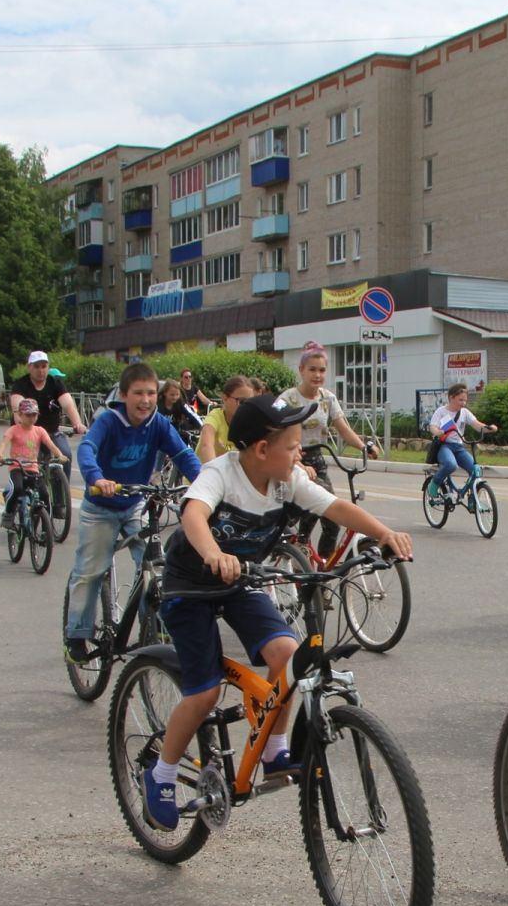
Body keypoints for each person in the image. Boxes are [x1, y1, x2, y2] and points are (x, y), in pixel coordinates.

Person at [141, 391, 415, 830]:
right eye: (292, 446)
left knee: (288, 657)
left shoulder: (287, 481)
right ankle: (163, 774)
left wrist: (384, 533)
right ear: (262, 450)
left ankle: (274, 749)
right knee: (204, 693)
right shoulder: (221, 474)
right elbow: (194, 515)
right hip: (192, 587)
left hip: (242, 582)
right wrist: (214, 552)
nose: (300, 453)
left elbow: (336, 507)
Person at [65, 363, 203, 661]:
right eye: (138, 393)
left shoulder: (159, 423)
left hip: (136, 503)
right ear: (124, 395)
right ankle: (76, 635)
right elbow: (87, 448)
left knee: (155, 565)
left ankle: (154, 625)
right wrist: (96, 478)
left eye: (151, 393)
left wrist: (205, 484)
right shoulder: (109, 420)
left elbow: (182, 454)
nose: (146, 400)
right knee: (91, 571)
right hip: (101, 507)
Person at [281, 341, 374, 557]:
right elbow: (276, 434)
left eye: (322, 370)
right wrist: (296, 463)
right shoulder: (288, 399)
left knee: (333, 523)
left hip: (317, 459)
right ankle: (299, 552)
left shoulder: (327, 398)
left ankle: (321, 571)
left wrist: (364, 447)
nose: (317, 375)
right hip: (292, 459)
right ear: (301, 370)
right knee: (320, 501)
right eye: (312, 369)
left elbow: (343, 429)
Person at [0, 398, 71, 530]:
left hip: (33, 468)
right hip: (17, 468)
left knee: (44, 494)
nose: (32, 418)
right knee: (17, 488)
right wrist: (0, 455)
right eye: (28, 415)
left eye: (34, 415)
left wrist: (59, 455)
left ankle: (46, 529)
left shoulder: (39, 431)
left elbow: (51, 444)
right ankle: (8, 514)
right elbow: (4, 442)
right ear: (20, 415)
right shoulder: (14, 430)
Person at [10, 350, 86, 458]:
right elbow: (17, 406)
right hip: (28, 432)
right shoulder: (20, 384)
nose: (41, 370)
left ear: (48, 367)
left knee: (66, 454)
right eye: (36, 366)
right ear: (29, 367)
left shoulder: (55, 383)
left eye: (44, 366)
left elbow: (68, 404)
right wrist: (20, 421)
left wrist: (77, 423)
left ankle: (62, 475)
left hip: (52, 432)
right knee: (29, 459)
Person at [427, 383, 498, 497]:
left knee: (475, 470)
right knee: (450, 465)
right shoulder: (441, 411)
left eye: (465, 400)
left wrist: (489, 428)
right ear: (451, 398)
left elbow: (477, 425)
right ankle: (434, 483)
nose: (463, 403)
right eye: (460, 400)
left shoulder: (464, 412)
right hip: (445, 446)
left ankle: (473, 499)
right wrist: (437, 432)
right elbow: (432, 427)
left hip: (459, 447)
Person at [197, 376, 254, 463]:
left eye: (249, 403)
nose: (245, 407)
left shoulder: (248, 423)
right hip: (202, 474)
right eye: (241, 401)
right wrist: (213, 471)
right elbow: (206, 445)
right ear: (225, 398)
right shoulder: (215, 417)